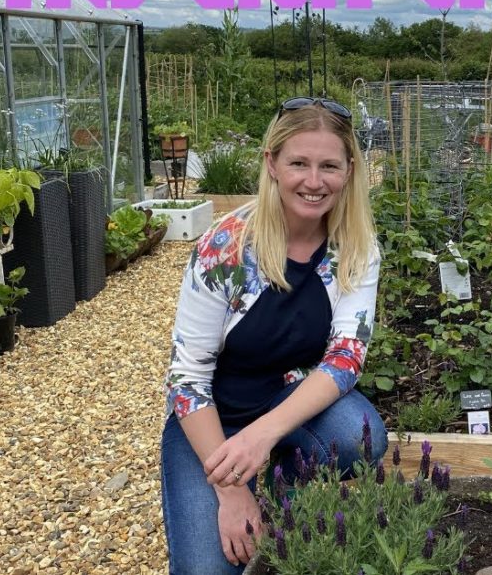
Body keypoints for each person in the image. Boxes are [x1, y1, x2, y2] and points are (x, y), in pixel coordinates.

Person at [159, 97, 388, 574]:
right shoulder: (226, 248)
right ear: (272, 164)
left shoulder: (356, 249)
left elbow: (345, 358)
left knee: (358, 438)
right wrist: (231, 490)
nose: (313, 181)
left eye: (329, 165)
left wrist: (263, 437)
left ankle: (286, 476)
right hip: (211, 418)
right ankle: (247, 481)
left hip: (286, 403)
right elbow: (186, 380)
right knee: (209, 568)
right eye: (298, 163)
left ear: (349, 170)